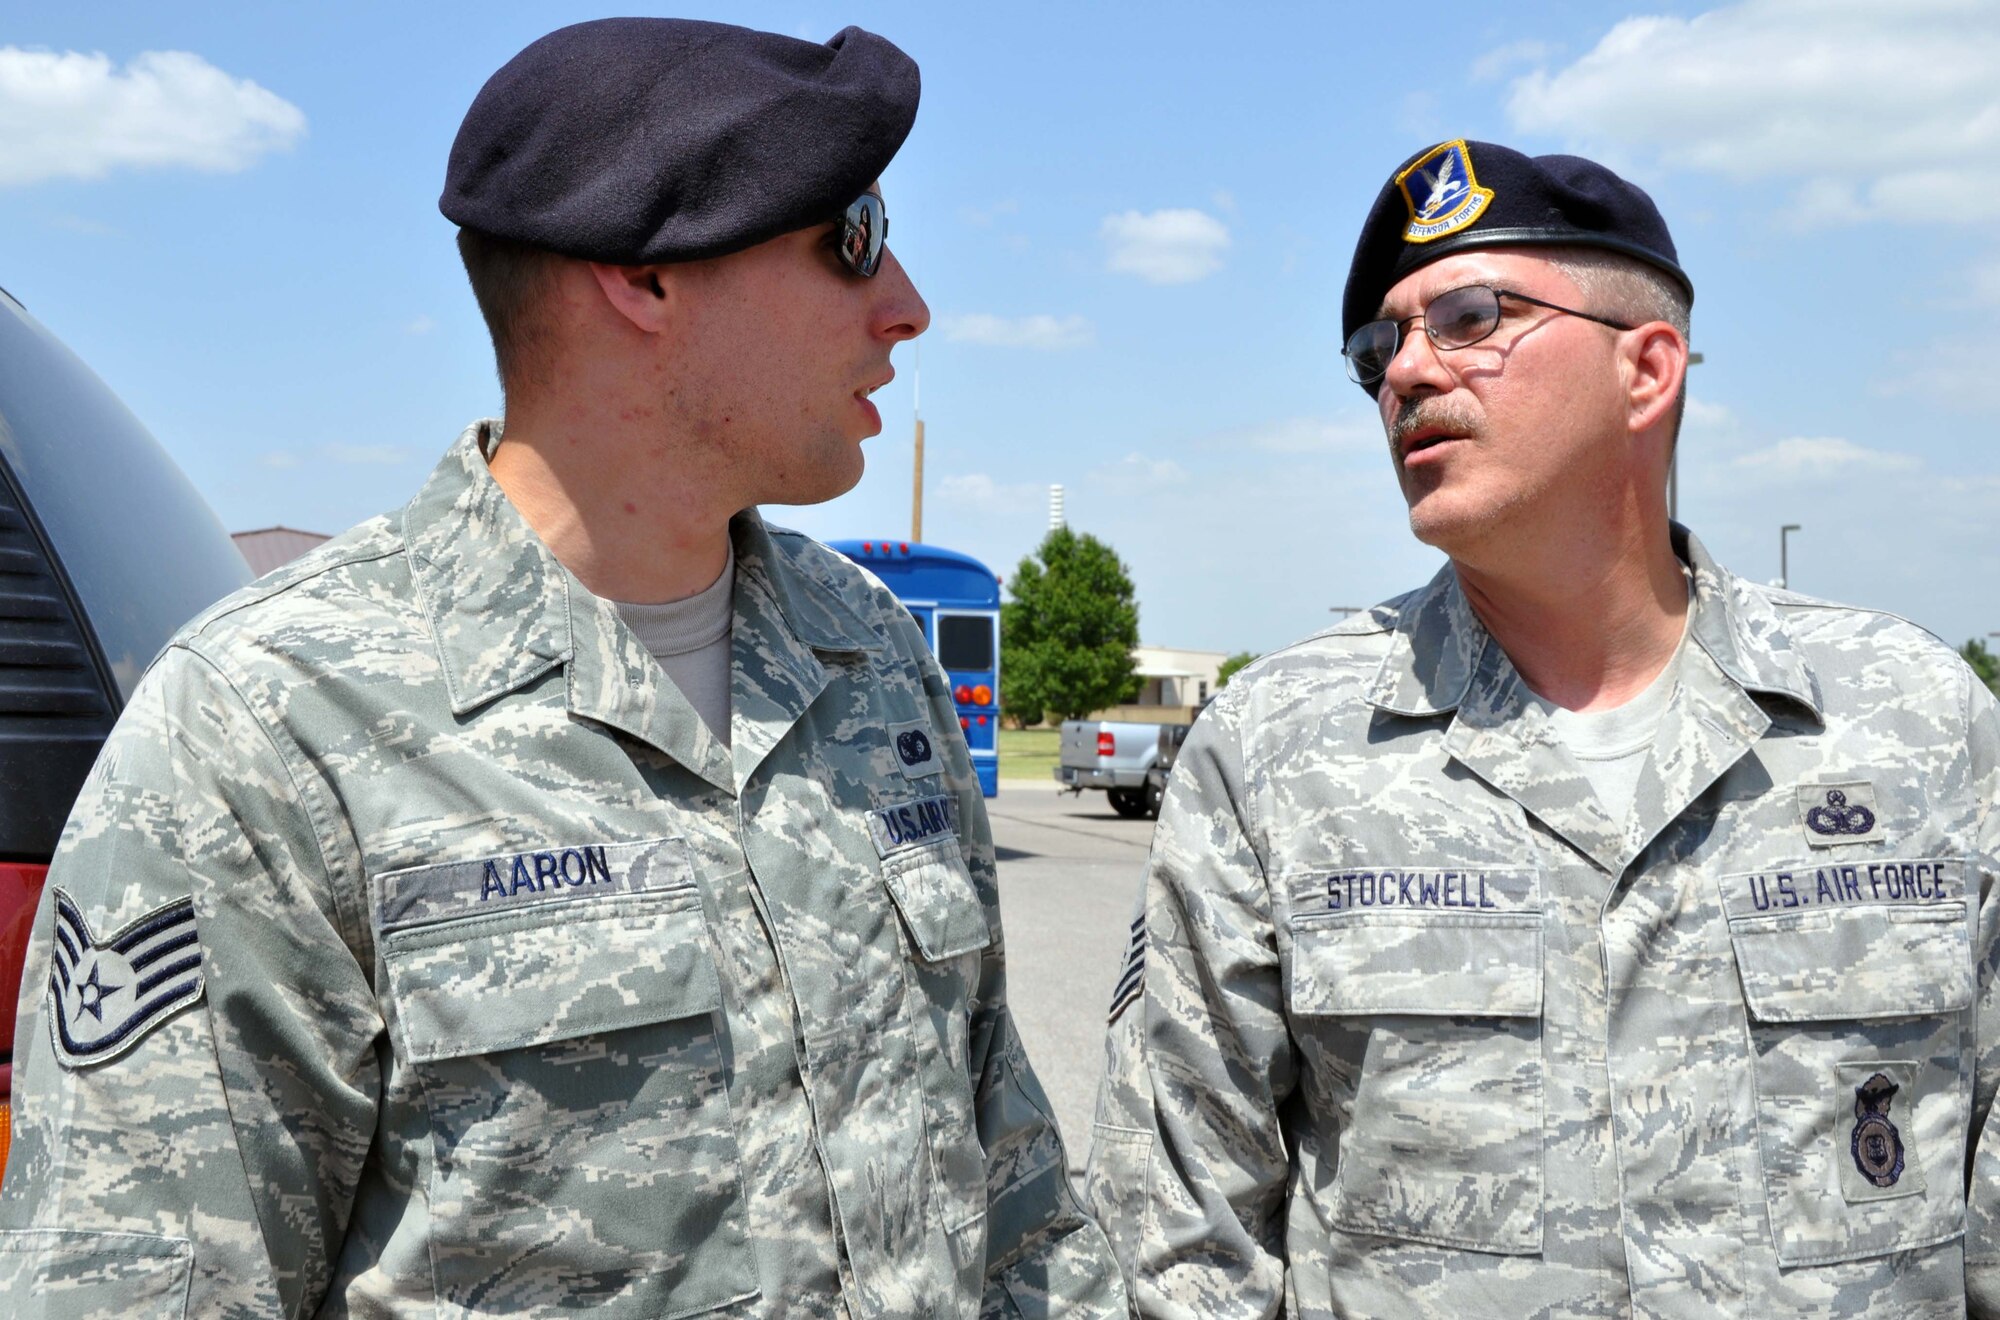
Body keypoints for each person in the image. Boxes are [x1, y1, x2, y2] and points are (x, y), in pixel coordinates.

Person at [0, 18, 1123, 1318]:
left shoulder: (868, 653)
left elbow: (1015, 1187)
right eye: (851, 233)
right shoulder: (269, 727)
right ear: (643, 276)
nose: (908, 304)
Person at [1084, 137, 2000, 1317]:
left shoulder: (1913, 723)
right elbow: (1175, 1248)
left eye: (1468, 315)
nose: (1407, 371)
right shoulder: (1276, 751)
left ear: (1646, 369)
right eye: (1378, 349)